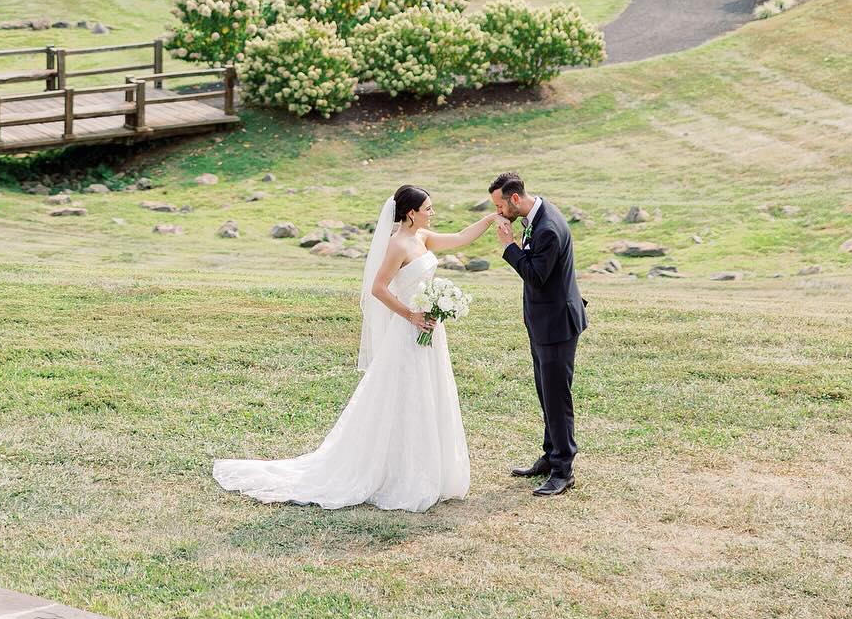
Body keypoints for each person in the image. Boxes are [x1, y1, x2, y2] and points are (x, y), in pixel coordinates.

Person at [212, 183, 491, 512]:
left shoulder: (423, 237)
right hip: (409, 329)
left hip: (430, 330)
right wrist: (412, 315)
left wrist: (490, 219)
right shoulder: (398, 244)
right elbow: (379, 288)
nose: (433, 213)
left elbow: (459, 238)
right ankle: (396, 470)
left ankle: (430, 468)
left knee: (430, 393)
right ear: (411, 213)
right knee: (403, 395)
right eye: (428, 208)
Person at [489, 170, 586, 497]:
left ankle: (563, 470)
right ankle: (550, 454)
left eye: (500, 206)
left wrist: (508, 247)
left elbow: (535, 275)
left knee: (557, 397)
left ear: (514, 199)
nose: (499, 213)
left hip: (558, 325)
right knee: (545, 392)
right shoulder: (537, 214)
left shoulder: (546, 228)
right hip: (543, 321)